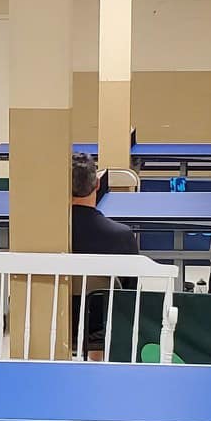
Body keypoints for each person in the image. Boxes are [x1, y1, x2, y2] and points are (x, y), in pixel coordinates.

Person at [69, 153, 140, 359]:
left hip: (53, 320)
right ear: (98, 184)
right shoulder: (122, 236)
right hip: (101, 328)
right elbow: (130, 294)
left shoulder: (46, 236)